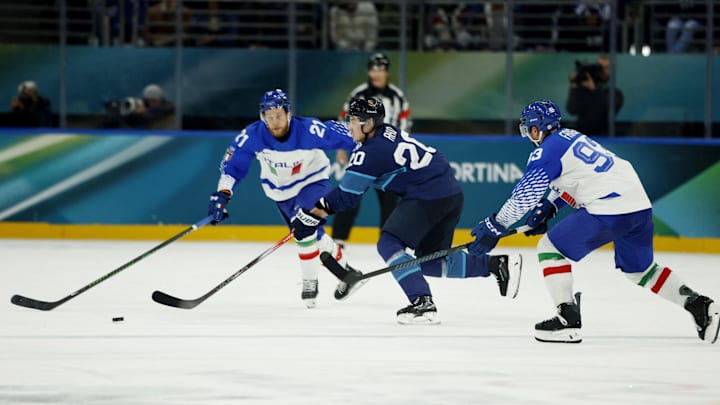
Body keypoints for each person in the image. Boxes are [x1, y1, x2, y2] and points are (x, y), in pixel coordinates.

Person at [469, 99, 719, 344]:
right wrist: (550, 205)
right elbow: (579, 179)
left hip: (610, 208)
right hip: (638, 206)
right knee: (640, 270)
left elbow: (523, 197)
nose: (529, 135)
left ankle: (567, 320)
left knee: (549, 248)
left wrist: (495, 225)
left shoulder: (545, 152)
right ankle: (699, 305)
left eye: (529, 129)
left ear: (536, 128)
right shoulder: (571, 136)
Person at [291, 97, 522, 325]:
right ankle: (495, 265)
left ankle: (422, 302)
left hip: (428, 196)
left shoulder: (370, 154)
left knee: (389, 244)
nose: (348, 125)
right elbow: (363, 153)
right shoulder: (386, 132)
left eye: (352, 120)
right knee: (430, 262)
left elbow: (346, 197)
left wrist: (312, 215)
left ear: (368, 124)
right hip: (449, 194)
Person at [207, 89, 359, 309]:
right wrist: (223, 193)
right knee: (311, 235)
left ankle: (310, 282)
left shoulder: (309, 130)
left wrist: (372, 157)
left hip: (312, 181)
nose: (275, 121)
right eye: (269, 117)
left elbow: (350, 138)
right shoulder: (252, 136)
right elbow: (232, 167)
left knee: (304, 228)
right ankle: (349, 274)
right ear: (262, 117)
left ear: (289, 113)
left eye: (278, 115)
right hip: (280, 192)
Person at [332, 53, 410, 248]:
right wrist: (342, 146)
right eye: (373, 69)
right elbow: (344, 120)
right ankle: (338, 239)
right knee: (350, 194)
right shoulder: (358, 95)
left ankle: (389, 241)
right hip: (362, 154)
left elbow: (404, 127)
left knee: (390, 202)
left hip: (389, 157)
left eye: (381, 69)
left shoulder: (398, 98)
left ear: (387, 72)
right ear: (368, 71)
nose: (376, 73)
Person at [566, 55, 624, 136]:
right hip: (583, 136)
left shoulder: (615, 93)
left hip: (605, 137)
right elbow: (572, 109)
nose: (602, 71)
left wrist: (593, 89)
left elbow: (607, 106)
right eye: (599, 67)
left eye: (606, 68)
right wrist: (575, 85)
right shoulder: (584, 90)